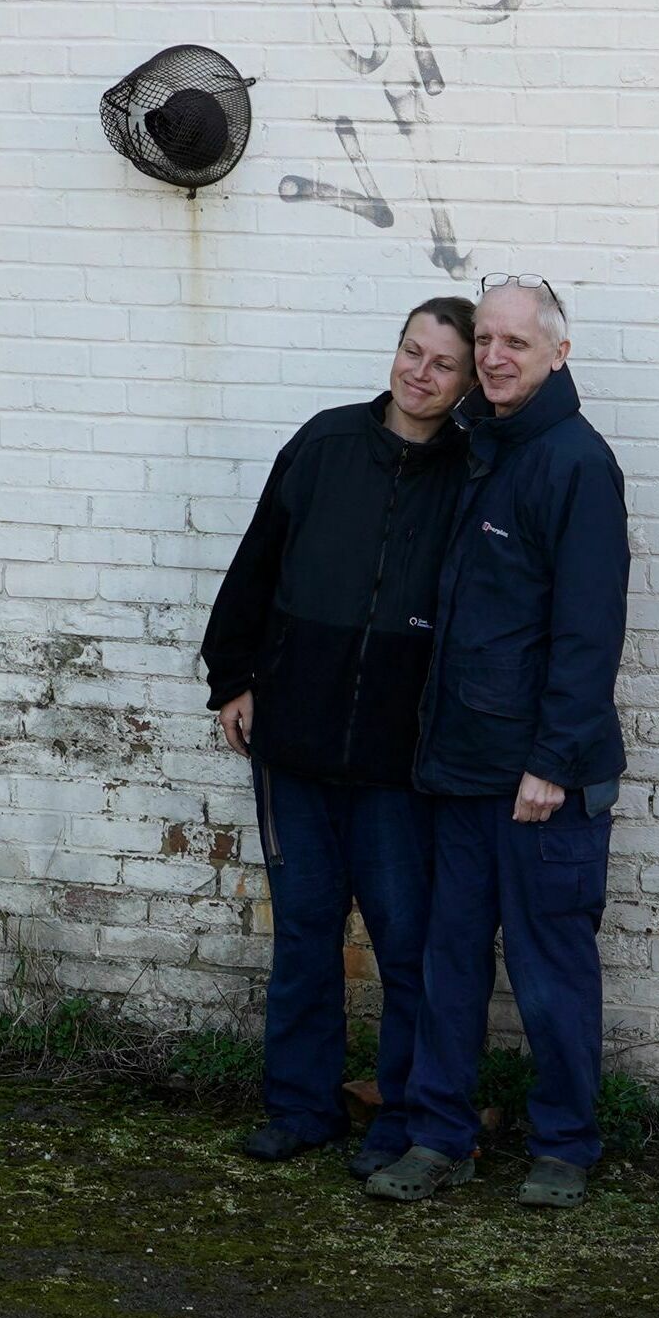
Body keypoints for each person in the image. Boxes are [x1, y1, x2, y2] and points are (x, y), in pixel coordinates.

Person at [367, 276, 630, 1209]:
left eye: (516, 341)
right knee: (448, 964)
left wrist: (551, 763)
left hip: (541, 785)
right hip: (461, 769)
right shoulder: (480, 446)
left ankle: (564, 1147)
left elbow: (589, 631)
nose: (494, 356)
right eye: (485, 339)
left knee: (550, 971)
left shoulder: (575, 463)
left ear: (559, 353)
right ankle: (439, 1135)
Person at [201, 297, 475, 1172]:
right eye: (411, 351)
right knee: (304, 934)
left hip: (400, 763)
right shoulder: (323, 444)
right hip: (295, 744)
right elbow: (256, 563)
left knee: (406, 945)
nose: (419, 373)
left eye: (442, 363)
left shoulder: (472, 474)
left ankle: (400, 1119)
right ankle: (300, 1107)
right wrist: (232, 678)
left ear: (468, 383)